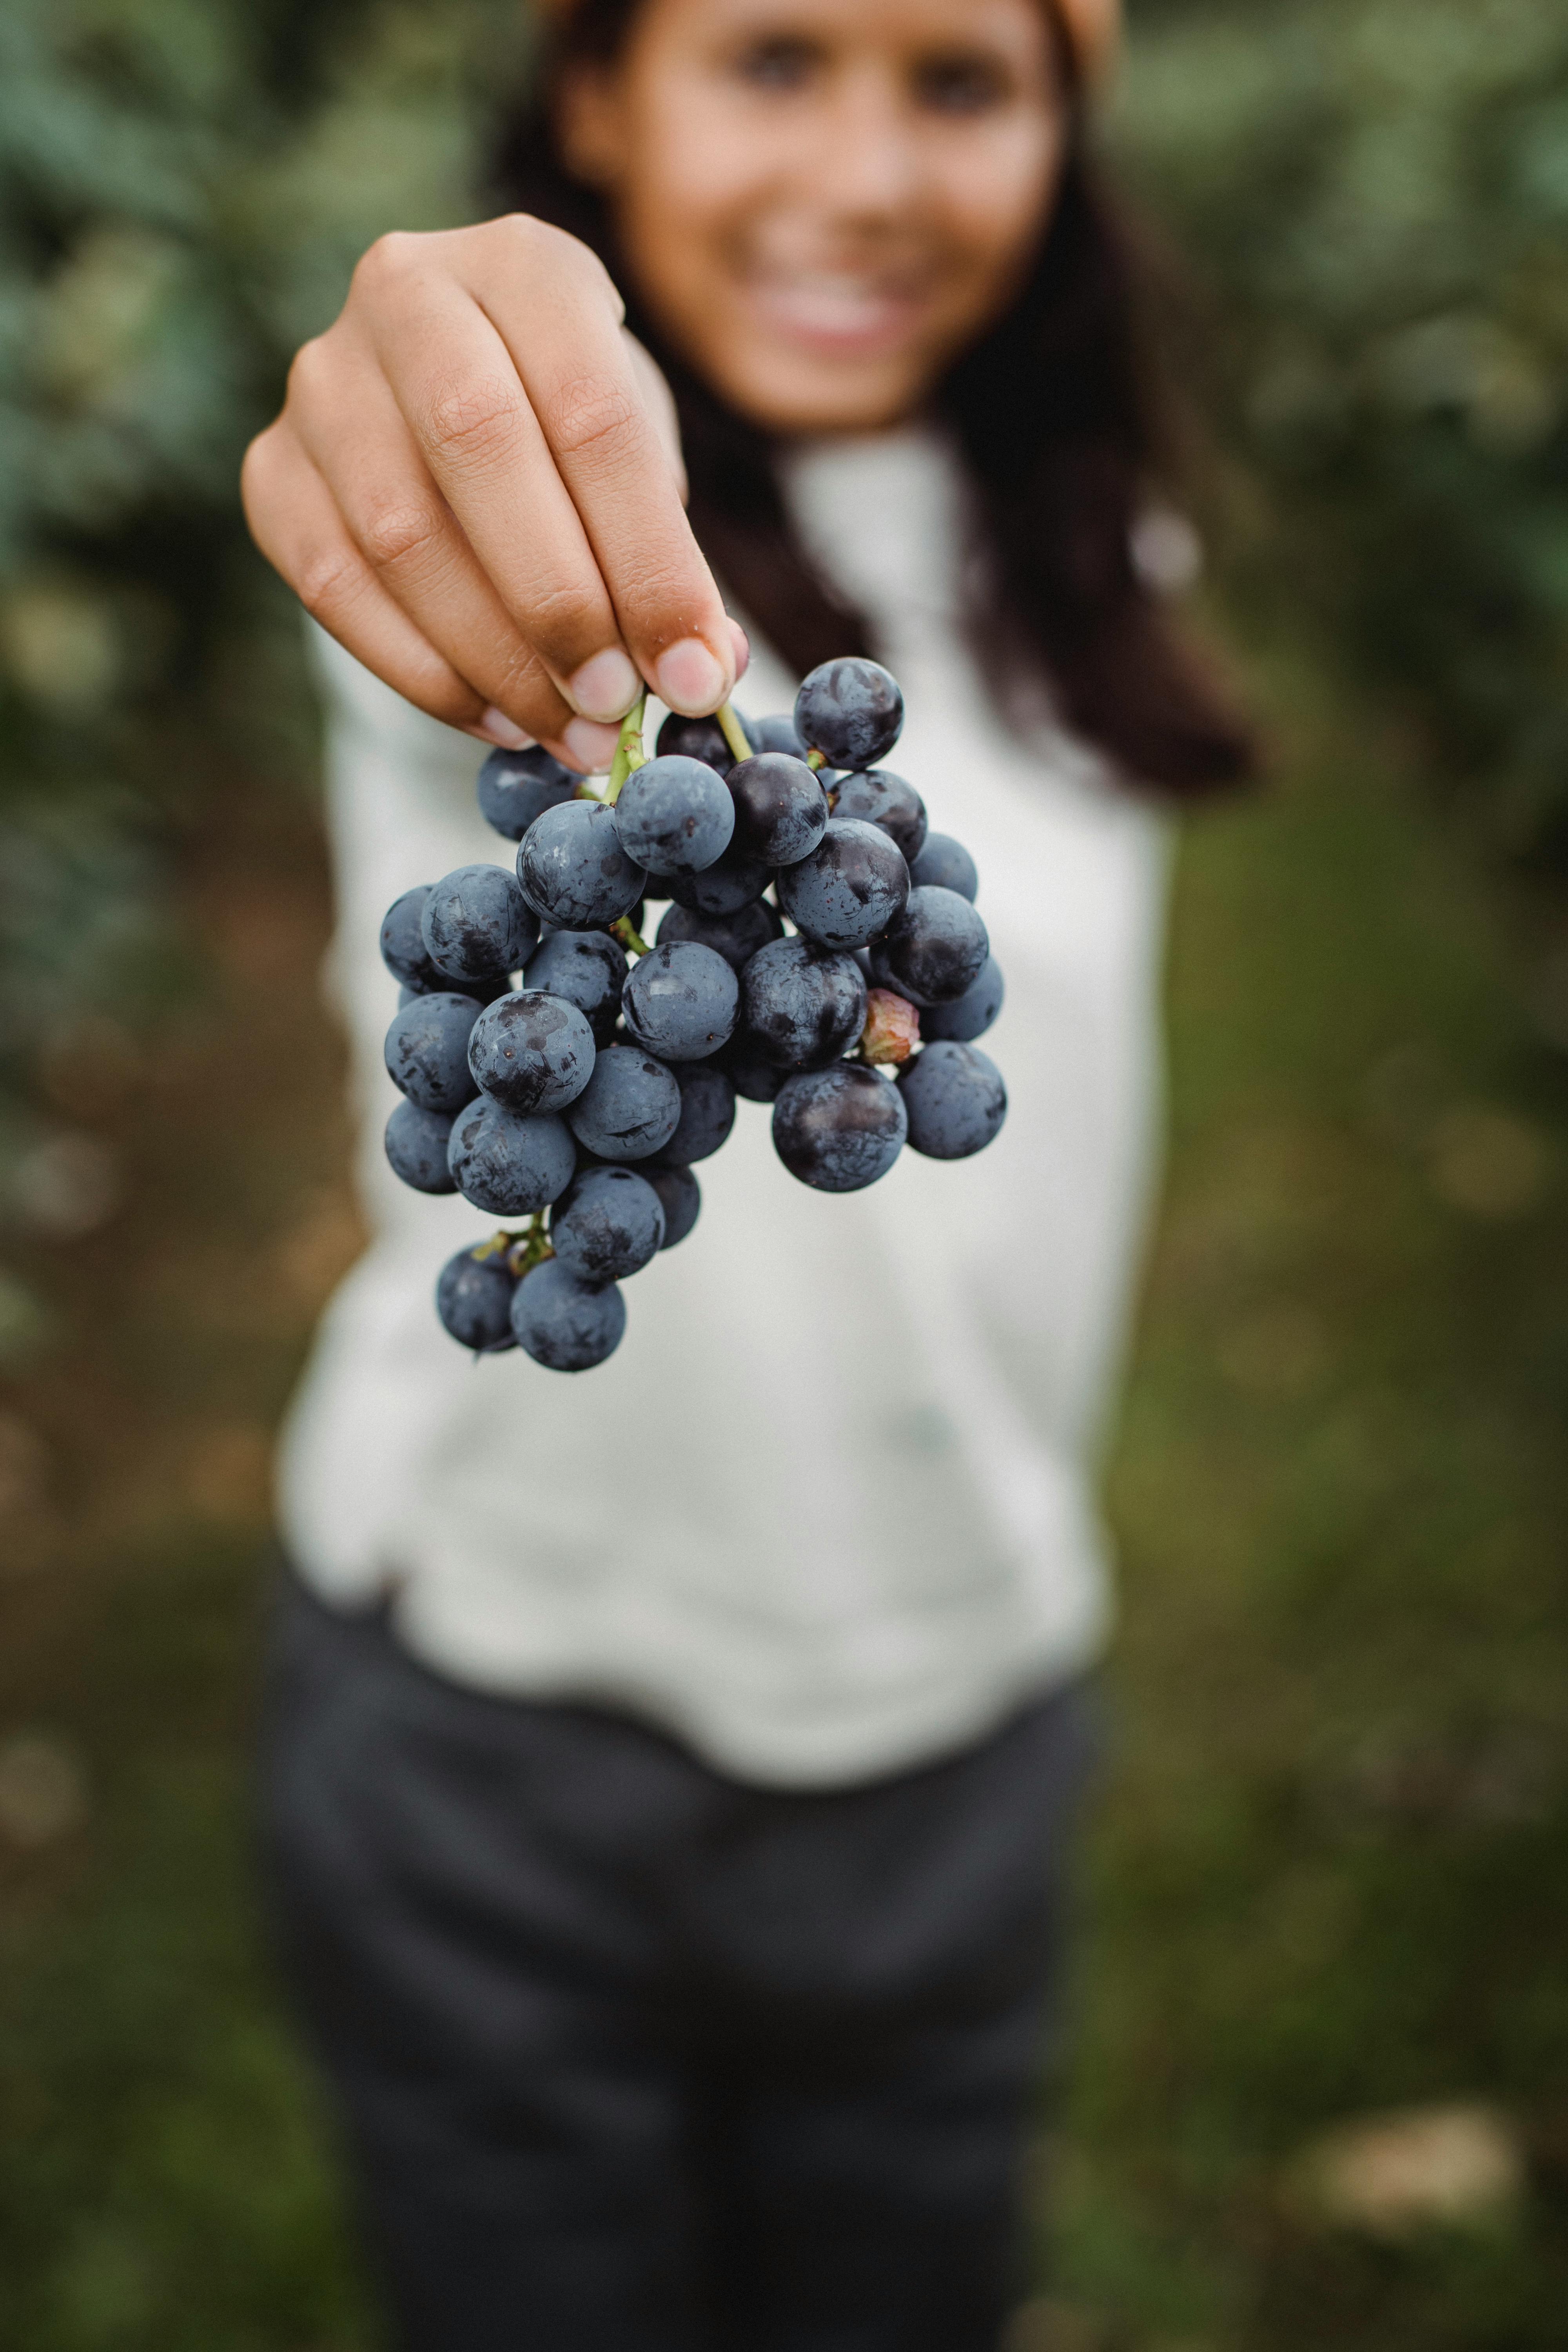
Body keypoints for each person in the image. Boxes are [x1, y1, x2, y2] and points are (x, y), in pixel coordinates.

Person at [241, 2, 1251, 2346]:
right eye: (774, 57)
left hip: (959, 1699)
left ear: (1068, 127)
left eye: (964, 79)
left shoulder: (1087, 546)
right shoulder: (550, 609)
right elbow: (417, 461)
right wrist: (429, 360)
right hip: (481, 1720)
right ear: (595, 94)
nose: (868, 176)